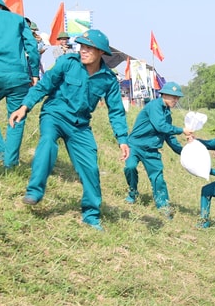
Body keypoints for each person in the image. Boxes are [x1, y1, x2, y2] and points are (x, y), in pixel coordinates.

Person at [9, 29, 129, 230]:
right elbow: (43, 86)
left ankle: (91, 215)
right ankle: (35, 191)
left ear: (100, 52)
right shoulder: (67, 63)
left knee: (90, 166)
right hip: (54, 115)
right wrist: (25, 106)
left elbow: (116, 111)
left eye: (88, 48)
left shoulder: (108, 80)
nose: (82, 51)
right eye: (81, 46)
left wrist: (122, 139)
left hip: (80, 126)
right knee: (47, 143)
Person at [123, 81, 191, 218]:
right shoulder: (154, 106)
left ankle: (163, 206)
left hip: (151, 150)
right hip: (135, 145)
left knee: (158, 178)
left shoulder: (168, 114)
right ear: (164, 94)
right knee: (130, 167)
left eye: (177, 98)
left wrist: (183, 152)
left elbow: (169, 136)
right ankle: (133, 193)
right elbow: (161, 127)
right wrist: (182, 130)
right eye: (173, 97)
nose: (175, 100)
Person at [0, 0, 40, 168]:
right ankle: (10, 161)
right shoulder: (18, 19)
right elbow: (32, 47)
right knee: (16, 117)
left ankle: (1, 151)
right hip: (18, 76)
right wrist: (34, 72)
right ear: (4, 8)